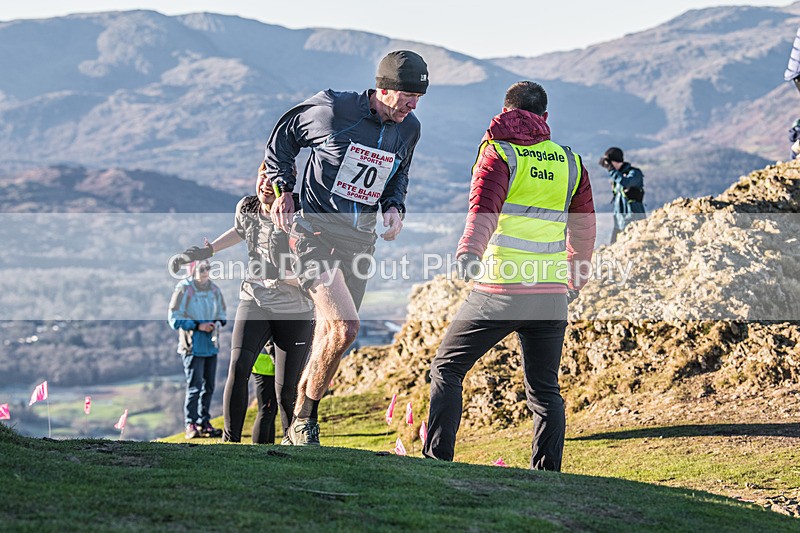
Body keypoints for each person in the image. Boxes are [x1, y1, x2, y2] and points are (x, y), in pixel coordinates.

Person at [423, 81, 596, 471]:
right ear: (545, 118)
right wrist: (575, 280)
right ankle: (547, 472)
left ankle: (436, 461)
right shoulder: (570, 161)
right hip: (551, 294)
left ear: (506, 110)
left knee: (447, 368)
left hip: (500, 289)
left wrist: (469, 252)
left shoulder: (498, 153)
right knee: (545, 390)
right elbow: (584, 230)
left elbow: (483, 209)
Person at [263, 50, 428, 445]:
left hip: (360, 241)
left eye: (420, 97)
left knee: (332, 335)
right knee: (346, 326)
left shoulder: (409, 129)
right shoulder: (335, 110)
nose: (414, 103)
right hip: (313, 233)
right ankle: (304, 424)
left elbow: (398, 172)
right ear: (383, 88)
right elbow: (283, 137)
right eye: (407, 94)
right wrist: (283, 188)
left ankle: (300, 421)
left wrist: (394, 206)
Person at [173, 162, 314, 444]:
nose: (265, 183)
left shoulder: (301, 216)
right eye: (262, 176)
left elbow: (316, 274)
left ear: (286, 187)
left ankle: (294, 443)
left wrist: (282, 276)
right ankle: (230, 442)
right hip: (255, 301)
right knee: (238, 367)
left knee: (286, 389)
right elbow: (240, 230)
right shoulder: (247, 208)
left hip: (294, 311)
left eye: (272, 180)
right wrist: (208, 249)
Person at [168, 259, 227, 439]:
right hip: (192, 346)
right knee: (194, 387)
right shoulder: (184, 289)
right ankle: (190, 424)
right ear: (192, 270)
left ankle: (204, 422)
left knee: (209, 386)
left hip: (211, 345)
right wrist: (197, 325)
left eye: (208, 268)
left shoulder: (214, 289)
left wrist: (217, 321)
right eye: (201, 269)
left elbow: (222, 312)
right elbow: (173, 318)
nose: (205, 272)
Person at [599, 147, 645, 244]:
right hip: (619, 223)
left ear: (615, 161)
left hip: (634, 221)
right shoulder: (617, 177)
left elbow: (626, 182)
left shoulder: (635, 173)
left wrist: (611, 169)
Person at [251, 341, 278, 444]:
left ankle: (269, 445)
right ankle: (259, 445)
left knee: (271, 411)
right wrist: (276, 357)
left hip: (264, 362)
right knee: (266, 410)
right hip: (266, 363)